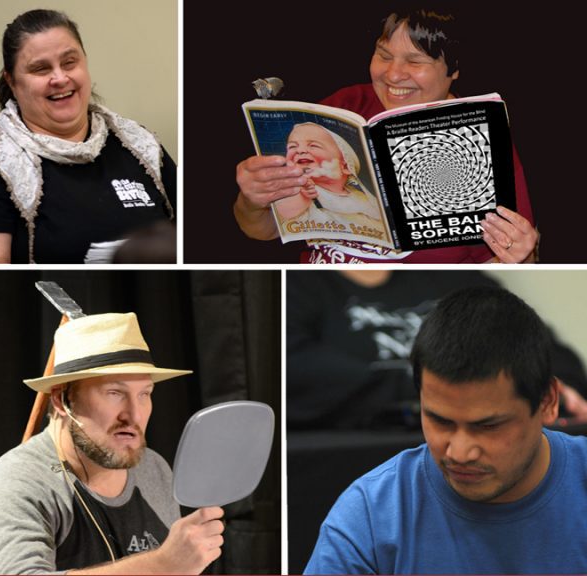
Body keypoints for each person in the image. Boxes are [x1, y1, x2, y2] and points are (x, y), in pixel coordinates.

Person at [304, 286, 587, 574]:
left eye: (488, 426)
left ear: (547, 402)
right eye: (440, 420)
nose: (460, 453)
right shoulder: (370, 515)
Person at [235, 9, 538, 264]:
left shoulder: (480, 137)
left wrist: (522, 256)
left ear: (453, 69)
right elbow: (261, 230)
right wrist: (253, 200)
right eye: (383, 55)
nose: (393, 75)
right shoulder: (346, 106)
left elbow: (517, 259)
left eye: (416, 62)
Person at [0, 313, 225, 574]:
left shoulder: (153, 468)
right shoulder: (14, 485)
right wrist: (161, 564)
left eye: (144, 394)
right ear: (61, 400)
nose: (134, 415)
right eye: (114, 393)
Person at [0, 9, 177, 264]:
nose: (60, 78)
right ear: (12, 82)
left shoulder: (139, 144)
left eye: (69, 63)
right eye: (41, 69)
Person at [287, 271, 587, 430]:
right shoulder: (295, 284)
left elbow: (548, 355)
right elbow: (295, 372)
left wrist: (541, 383)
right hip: (345, 457)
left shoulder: (452, 274)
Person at [275, 123, 387, 242]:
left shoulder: (363, 198)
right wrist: (300, 194)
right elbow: (282, 212)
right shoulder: (298, 190)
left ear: (345, 166)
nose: (300, 150)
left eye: (313, 145)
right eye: (292, 147)